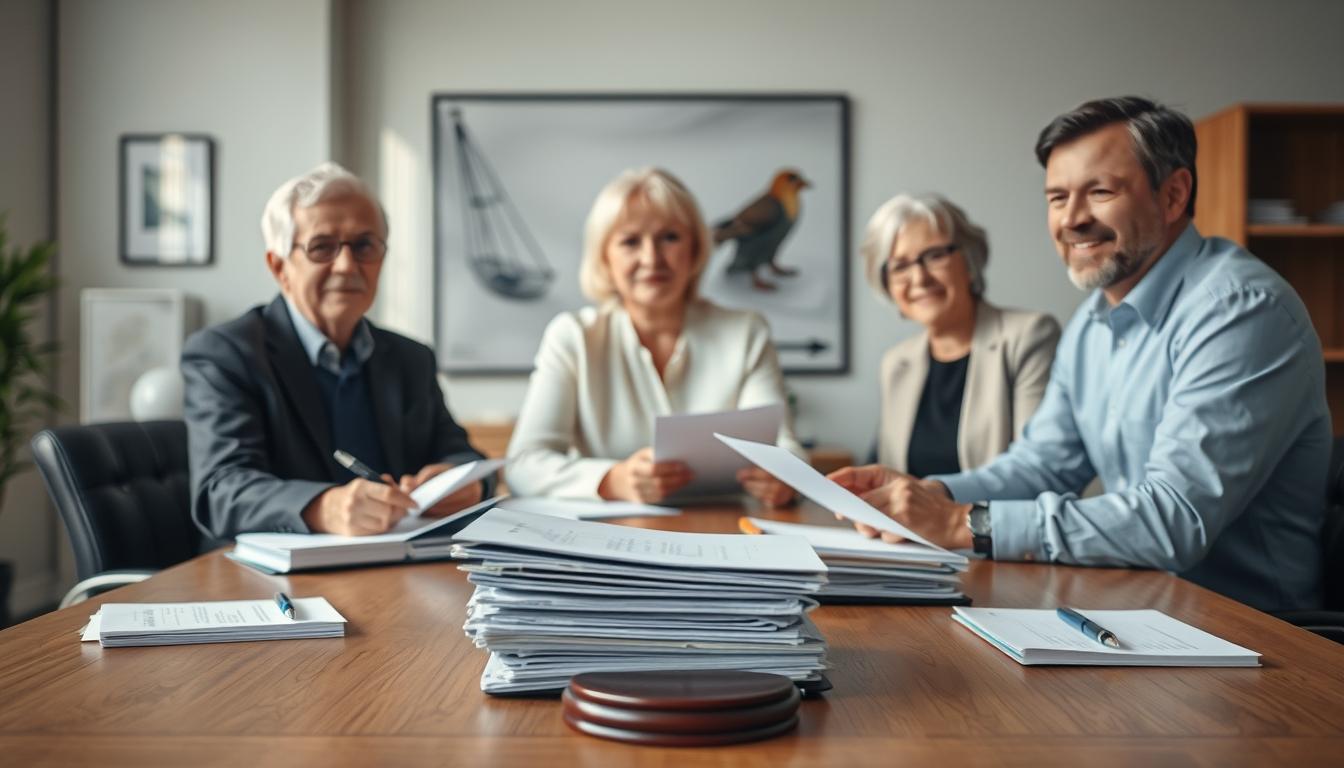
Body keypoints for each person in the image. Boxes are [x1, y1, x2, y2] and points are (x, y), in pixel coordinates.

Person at [831, 96, 1330, 612]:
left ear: (1174, 194)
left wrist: (961, 522)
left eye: (1100, 191)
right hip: (1141, 607)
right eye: (1056, 198)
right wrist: (932, 493)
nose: (1072, 220)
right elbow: (1042, 466)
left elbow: (1176, 519)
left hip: (1251, 637)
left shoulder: (1238, 310)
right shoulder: (1093, 322)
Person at [183, 162, 491, 540]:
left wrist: (465, 484)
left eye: (364, 246)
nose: (347, 266)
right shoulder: (226, 354)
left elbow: (462, 456)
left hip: (394, 568)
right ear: (279, 267)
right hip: (263, 581)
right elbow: (221, 490)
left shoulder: (411, 359)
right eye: (322, 247)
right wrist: (323, 507)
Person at [505, 167, 801, 506]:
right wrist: (610, 480)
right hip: (609, 541)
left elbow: (784, 447)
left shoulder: (746, 331)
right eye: (631, 241)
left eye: (670, 238)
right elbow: (523, 465)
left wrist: (784, 477)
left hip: (727, 532)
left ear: (694, 249)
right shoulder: (573, 336)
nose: (652, 258)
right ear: (605, 257)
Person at [860, 194, 1059, 476]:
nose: (919, 279)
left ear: (969, 260)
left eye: (934, 256)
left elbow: (1038, 470)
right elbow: (884, 469)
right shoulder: (896, 363)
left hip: (990, 520)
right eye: (900, 266)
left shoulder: (1028, 337)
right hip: (904, 523)